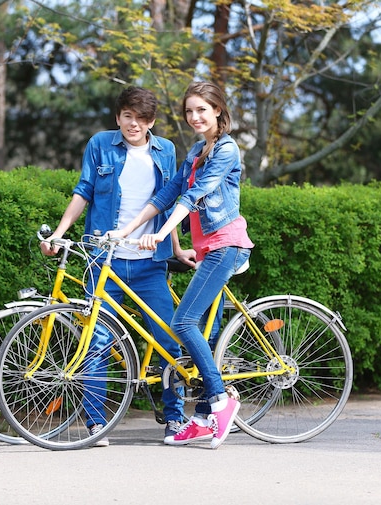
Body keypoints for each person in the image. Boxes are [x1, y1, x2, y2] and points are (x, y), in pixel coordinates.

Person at [40, 86, 195, 446]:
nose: (134, 125)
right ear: (119, 117)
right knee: (96, 342)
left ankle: (175, 418)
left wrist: (176, 248)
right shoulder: (100, 144)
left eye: (141, 119)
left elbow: (169, 203)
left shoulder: (166, 150)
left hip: (150, 263)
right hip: (104, 260)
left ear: (151, 121)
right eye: (128, 116)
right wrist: (59, 234)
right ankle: (97, 424)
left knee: (167, 341)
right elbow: (84, 191)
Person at [108, 81, 254, 449]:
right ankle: (204, 417)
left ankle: (221, 401)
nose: (194, 117)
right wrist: (124, 230)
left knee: (183, 322)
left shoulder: (226, 150)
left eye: (202, 109)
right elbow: (168, 192)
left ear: (218, 110)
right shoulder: (195, 151)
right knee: (205, 332)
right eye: (189, 111)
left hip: (227, 246)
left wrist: (161, 236)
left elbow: (193, 196)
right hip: (207, 250)